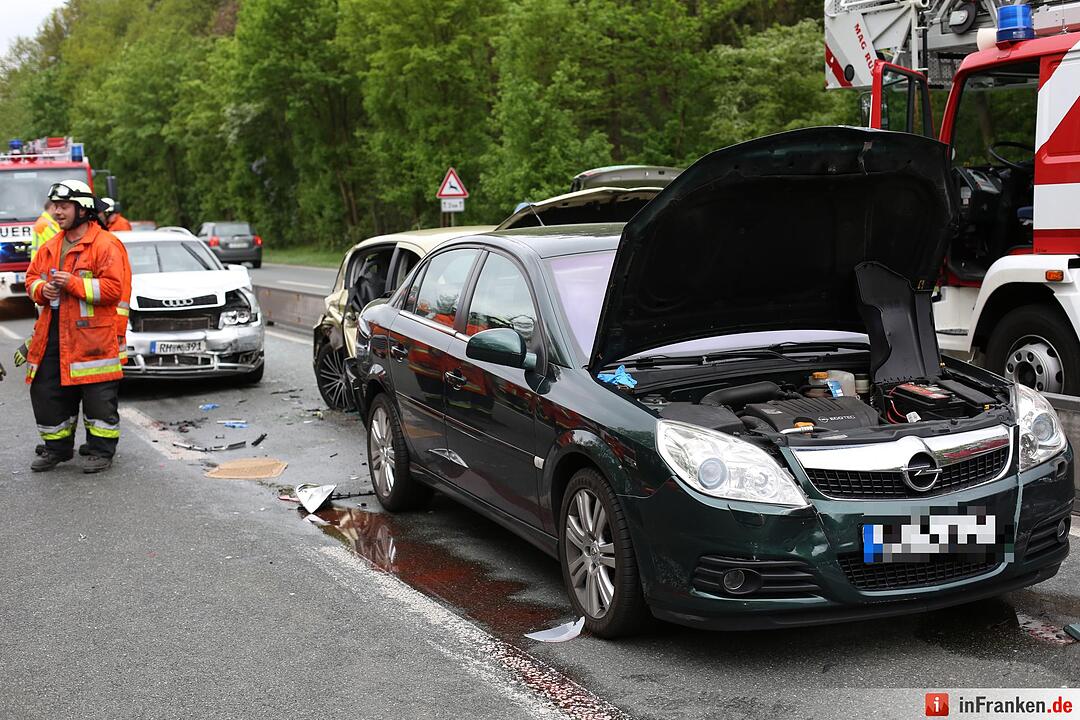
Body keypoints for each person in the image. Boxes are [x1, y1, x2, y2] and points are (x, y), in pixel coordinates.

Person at [23, 179, 131, 473]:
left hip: (94, 337)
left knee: (98, 399)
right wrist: (41, 290)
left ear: (83, 209)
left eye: (64, 206)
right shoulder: (50, 246)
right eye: (55, 206)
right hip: (54, 333)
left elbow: (112, 290)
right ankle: (56, 449)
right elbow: (31, 279)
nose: (57, 212)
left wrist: (73, 283)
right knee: (46, 391)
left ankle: (100, 451)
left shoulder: (106, 245)